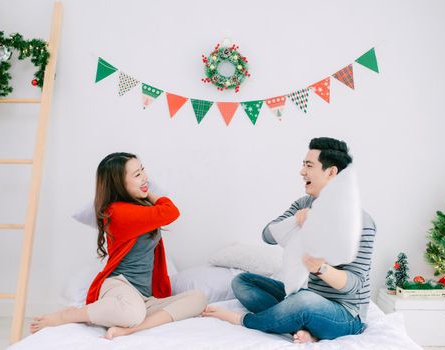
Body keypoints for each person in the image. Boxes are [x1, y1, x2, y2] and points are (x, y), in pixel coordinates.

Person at [203, 137, 376, 343]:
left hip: (345, 314)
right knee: (243, 282)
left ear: (331, 173)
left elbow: (353, 285)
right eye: (303, 165)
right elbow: (267, 235)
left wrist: (320, 267)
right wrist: (296, 220)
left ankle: (246, 320)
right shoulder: (305, 203)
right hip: (307, 295)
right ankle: (301, 324)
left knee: (304, 301)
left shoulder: (360, 221)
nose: (302, 172)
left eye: (309, 166)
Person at [30, 152, 207, 339]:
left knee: (198, 298)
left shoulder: (142, 209)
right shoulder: (117, 212)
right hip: (119, 286)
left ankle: (132, 329)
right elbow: (170, 211)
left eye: (143, 170)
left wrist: (144, 191)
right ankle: (70, 315)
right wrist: (149, 194)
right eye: (137, 175)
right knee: (132, 312)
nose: (145, 177)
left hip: (144, 298)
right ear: (119, 184)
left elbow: (164, 212)